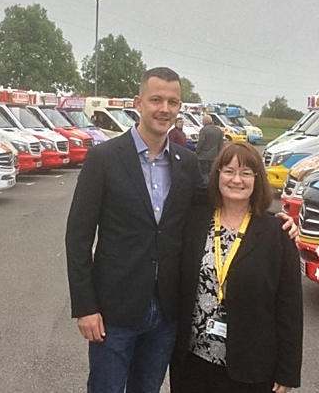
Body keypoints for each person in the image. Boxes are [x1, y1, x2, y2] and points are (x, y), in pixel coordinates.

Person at [66, 67, 297, 393]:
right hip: (114, 311)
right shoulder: (103, 159)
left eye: (172, 102)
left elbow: (225, 194)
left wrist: (273, 218)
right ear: (139, 102)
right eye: (156, 99)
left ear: (179, 108)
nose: (164, 108)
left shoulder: (185, 163)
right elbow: (77, 237)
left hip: (168, 314)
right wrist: (85, 306)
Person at [170, 142, 303, 393]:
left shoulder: (277, 233)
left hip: (251, 368)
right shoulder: (195, 221)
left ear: (257, 179)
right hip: (192, 362)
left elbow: (290, 308)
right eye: (228, 171)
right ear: (217, 175)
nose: (236, 180)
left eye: (246, 173)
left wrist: (287, 372)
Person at [195, 114, 224, 187]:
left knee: (204, 173)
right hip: (214, 157)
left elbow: (201, 142)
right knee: (212, 173)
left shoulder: (204, 130)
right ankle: (213, 187)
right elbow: (221, 144)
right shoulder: (218, 130)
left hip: (203, 157)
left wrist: (197, 151)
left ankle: (206, 188)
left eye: (202, 121)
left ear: (205, 121)